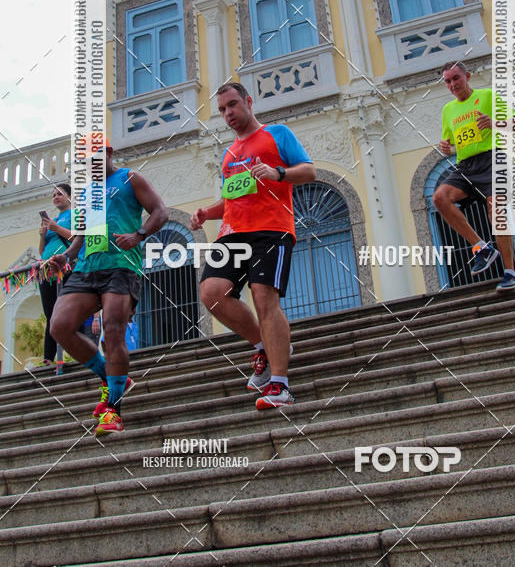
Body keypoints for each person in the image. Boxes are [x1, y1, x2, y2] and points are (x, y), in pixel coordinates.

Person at [192, 82, 315, 409]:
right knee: (211, 293)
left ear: (248, 101)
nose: (228, 113)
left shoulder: (277, 134)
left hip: (271, 229)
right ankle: (265, 346)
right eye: (222, 109)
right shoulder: (229, 154)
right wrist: (206, 213)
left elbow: (309, 171)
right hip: (232, 232)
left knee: (264, 298)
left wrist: (277, 173)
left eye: (232, 104)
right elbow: (231, 198)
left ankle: (280, 386)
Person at [46, 135, 168, 435]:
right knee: (60, 326)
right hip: (87, 268)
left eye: (94, 157)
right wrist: (66, 256)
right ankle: (112, 378)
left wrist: (138, 235)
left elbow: (160, 212)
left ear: (109, 153)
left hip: (121, 266)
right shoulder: (86, 193)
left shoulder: (130, 178)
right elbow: (82, 235)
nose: (90, 164)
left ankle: (113, 410)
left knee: (113, 329)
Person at [432, 61, 515, 291]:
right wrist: (446, 147)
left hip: (493, 158)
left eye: (456, 78)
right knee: (439, 198)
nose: (453, 84)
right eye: (448, 81)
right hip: (466, 166)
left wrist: (493, 123)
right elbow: (451, 143)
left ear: (468, 76)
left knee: (496, 209)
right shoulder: (448, 110)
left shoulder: (487, 96)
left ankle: (510, 273)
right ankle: (482, 248)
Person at [37, 183, 74, 366]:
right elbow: (42, 251)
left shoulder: (75, 215)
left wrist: (56, 228)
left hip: (66, 268)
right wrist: (43, 235)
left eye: (59, 194)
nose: (56, 197)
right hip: (46, 270)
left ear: (70, 197)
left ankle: (76, 353)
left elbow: (78, 238)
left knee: (68, 310)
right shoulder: (54, 220)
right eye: (53, 195)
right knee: (50, 313)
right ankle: (48, 357)